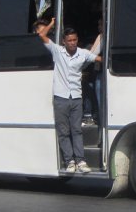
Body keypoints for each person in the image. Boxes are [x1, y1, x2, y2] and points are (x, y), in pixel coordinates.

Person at [38, 18, 101, 173]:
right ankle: (69, 161)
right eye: (69, 40)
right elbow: (41, 35)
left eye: (75, 40)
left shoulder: (83, 53)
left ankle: (81, 161)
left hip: (76, 98)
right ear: (64, 41)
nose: (72, 43)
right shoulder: (57, 51)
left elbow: (99, 58)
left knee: (77, 130)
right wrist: (52, 24)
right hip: (61, 98)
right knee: (64, 132)